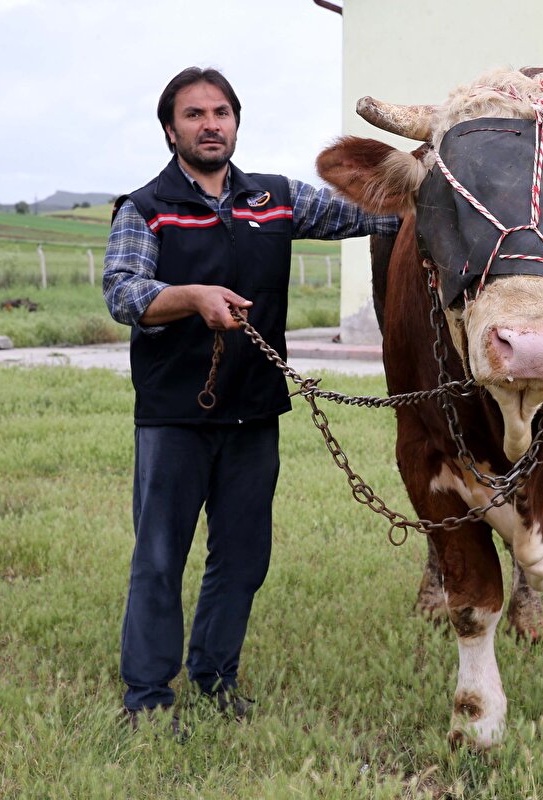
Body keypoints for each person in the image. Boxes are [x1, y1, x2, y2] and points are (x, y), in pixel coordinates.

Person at [103, 67, 399, 729]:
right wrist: (191, 299)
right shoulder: (145, 208)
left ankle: (214, 680)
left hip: (255, 410)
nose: (210, 124)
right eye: (194, 114)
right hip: (174, 416)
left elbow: (374, 210)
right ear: (170, 128)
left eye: (221, 113)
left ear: (236, 122)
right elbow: (123, 293)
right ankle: (147, 699)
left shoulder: (277, 198)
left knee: (242, 559)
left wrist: (433, 173)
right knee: (159, 558)